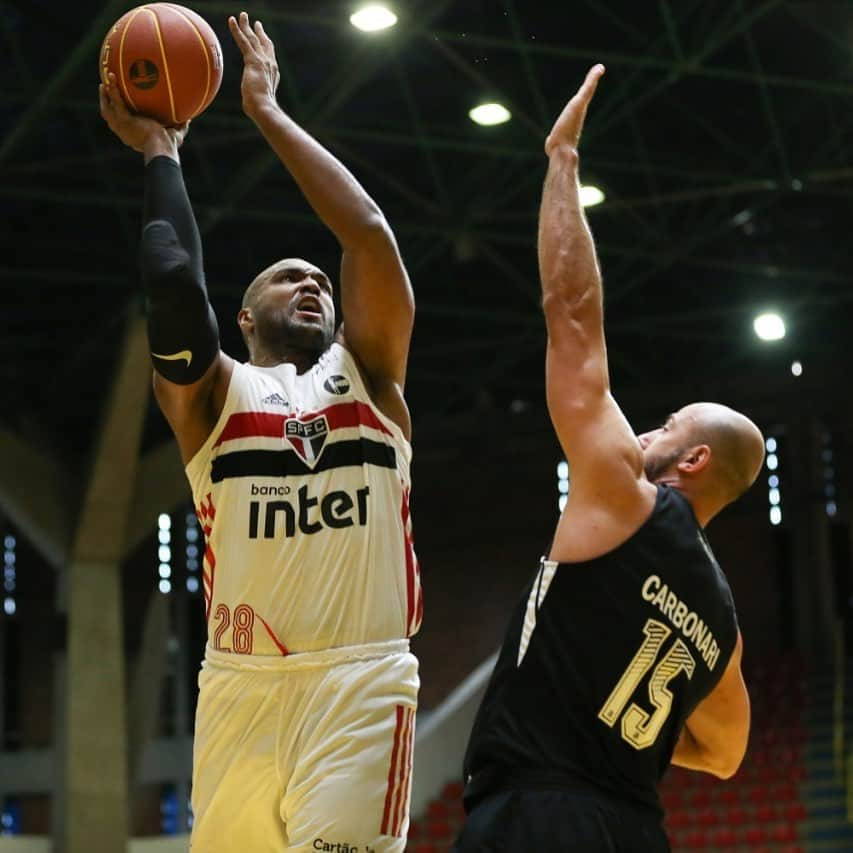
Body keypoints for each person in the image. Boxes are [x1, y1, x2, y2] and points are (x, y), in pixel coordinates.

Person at [99, 12, 421, 853]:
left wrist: (267, 112)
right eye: (289, 276)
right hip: (238, 689)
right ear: (243, 316)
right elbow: (171, 280)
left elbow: (368, 236)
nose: (313, 282)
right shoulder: (213, 396)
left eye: (321, 279)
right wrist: (160, 149)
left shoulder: (373, 375)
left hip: (358, 681)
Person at [453, 65, 764, 852]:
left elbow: (571, 318)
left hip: (534, 814)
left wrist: (561, 163)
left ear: (690, 461)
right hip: (631, 828)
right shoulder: (720, 623)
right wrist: (638, 741)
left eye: (665, 424)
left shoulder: (625, 497)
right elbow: (725, 754)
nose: (648, 432)